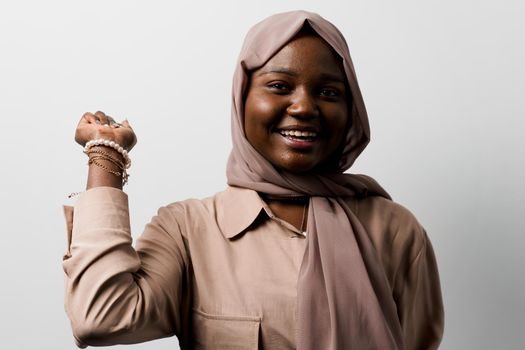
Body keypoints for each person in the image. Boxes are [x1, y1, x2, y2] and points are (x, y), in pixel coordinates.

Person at [63, 10, 444, 350]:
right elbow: (100, 318)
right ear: (242, 98)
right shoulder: (188, 230)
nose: (304, 107)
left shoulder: (395, 231)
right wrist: (105, 157)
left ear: (351, 110)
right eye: (280, 86)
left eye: (329, 92)